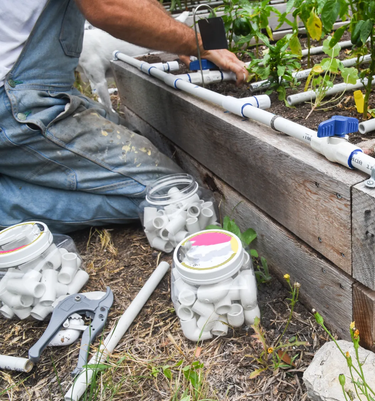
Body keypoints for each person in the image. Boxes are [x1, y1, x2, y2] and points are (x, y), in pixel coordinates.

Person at [0, 0, 248, 233]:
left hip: (34, 93)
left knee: (136, 139)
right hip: (19, 104)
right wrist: (198, 42)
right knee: (176, 194)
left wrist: (179, 40)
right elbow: (109, 6)